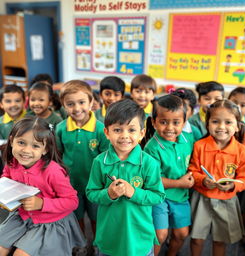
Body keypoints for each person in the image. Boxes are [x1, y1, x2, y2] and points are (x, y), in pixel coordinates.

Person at [86, 99, 165, 256]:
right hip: (110, 236)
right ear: (107, 133)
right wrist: (108, 194)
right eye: (117, 130)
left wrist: (132, 192)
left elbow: (158, 196)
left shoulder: (149, 163)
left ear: (142, 133)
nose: (124, 136)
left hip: (139, 236)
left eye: (131, 130)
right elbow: (91, 193)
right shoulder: (100, 161)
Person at [0, 116, 85, 256]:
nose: (26, 150)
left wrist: (42, 203)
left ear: (45, 149)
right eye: (21, 142)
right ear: (11, 141)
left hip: (48, 221)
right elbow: (6, 176)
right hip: (22, 215)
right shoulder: (12, 161)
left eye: (35, 146)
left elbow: (72, 201)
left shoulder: (54, 172)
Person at [188, 99, 245, 256]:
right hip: (201, 198)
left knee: (220, 240)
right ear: (207, 123)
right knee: (196, 239)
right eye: (215, 121)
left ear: (237, 126)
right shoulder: (199, 146)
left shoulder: (242, 151)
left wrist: (232, 186)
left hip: (227, 200)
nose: (221, 127)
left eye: (228, 122)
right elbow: (192, 171)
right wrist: (202, 180)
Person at [56, 80, 109, 253]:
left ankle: (97, 244)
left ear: (91, 102)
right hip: (71, 186)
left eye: (81, 102)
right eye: (70, 104)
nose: (77, 108)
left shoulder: (101, 129)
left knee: (96, 219)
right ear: (63, 105)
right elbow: (57, 155)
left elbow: (106, 159)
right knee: (76, 219)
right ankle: (80, 245)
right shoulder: (60, 128)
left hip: (95, 186)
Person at [144, 95, 194, 256]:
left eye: (176, 122)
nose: (169, 127)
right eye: (163, 122)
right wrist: (180, 183)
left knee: (182, 234)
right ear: (154, 122)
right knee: (160, 235)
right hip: (159, 197)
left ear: (184, 122)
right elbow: (152, 180)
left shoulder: (188, 140)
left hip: (181, 197)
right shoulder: (152, 147)